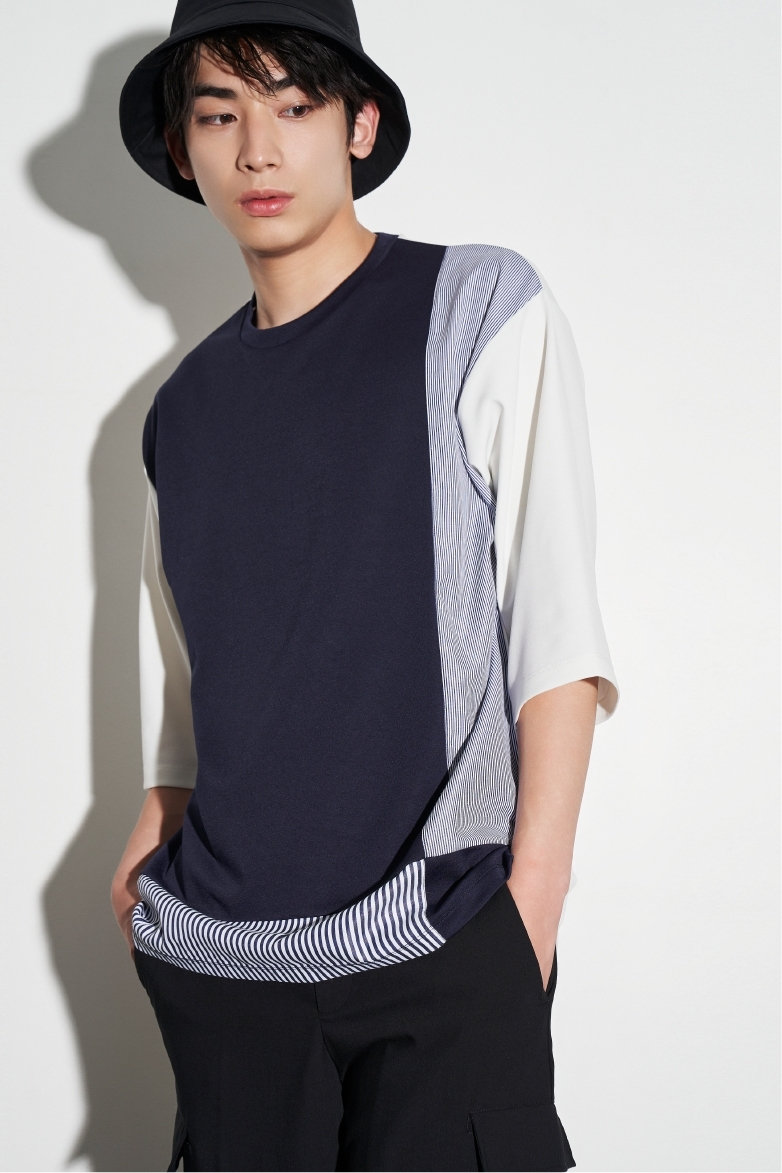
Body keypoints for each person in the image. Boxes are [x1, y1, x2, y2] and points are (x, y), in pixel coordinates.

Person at [111, 1, 619, 1169]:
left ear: (358, 125)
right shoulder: (183, 407)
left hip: (439, 939)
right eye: (219, 115)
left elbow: (552, 626)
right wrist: (149, 841)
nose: (258, 150)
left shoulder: (475, 307)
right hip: (224, 965)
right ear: (182, 148)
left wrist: (530, 908)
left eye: (293, 106)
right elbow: (188, 657)